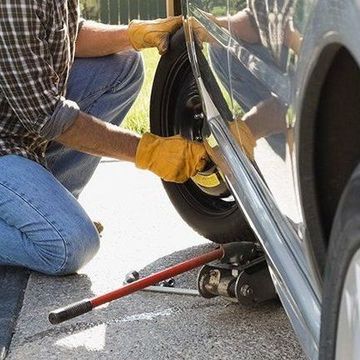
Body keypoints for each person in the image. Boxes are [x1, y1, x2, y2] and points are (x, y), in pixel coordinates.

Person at [0, 1, 208, 276]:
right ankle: (44, 219)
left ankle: (47, 206)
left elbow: (69, 34)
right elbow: (48, 117)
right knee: (71, 245)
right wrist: (148, 152)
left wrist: (133, 35)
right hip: (9, 142)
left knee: (123, 64)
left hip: (17, 128)